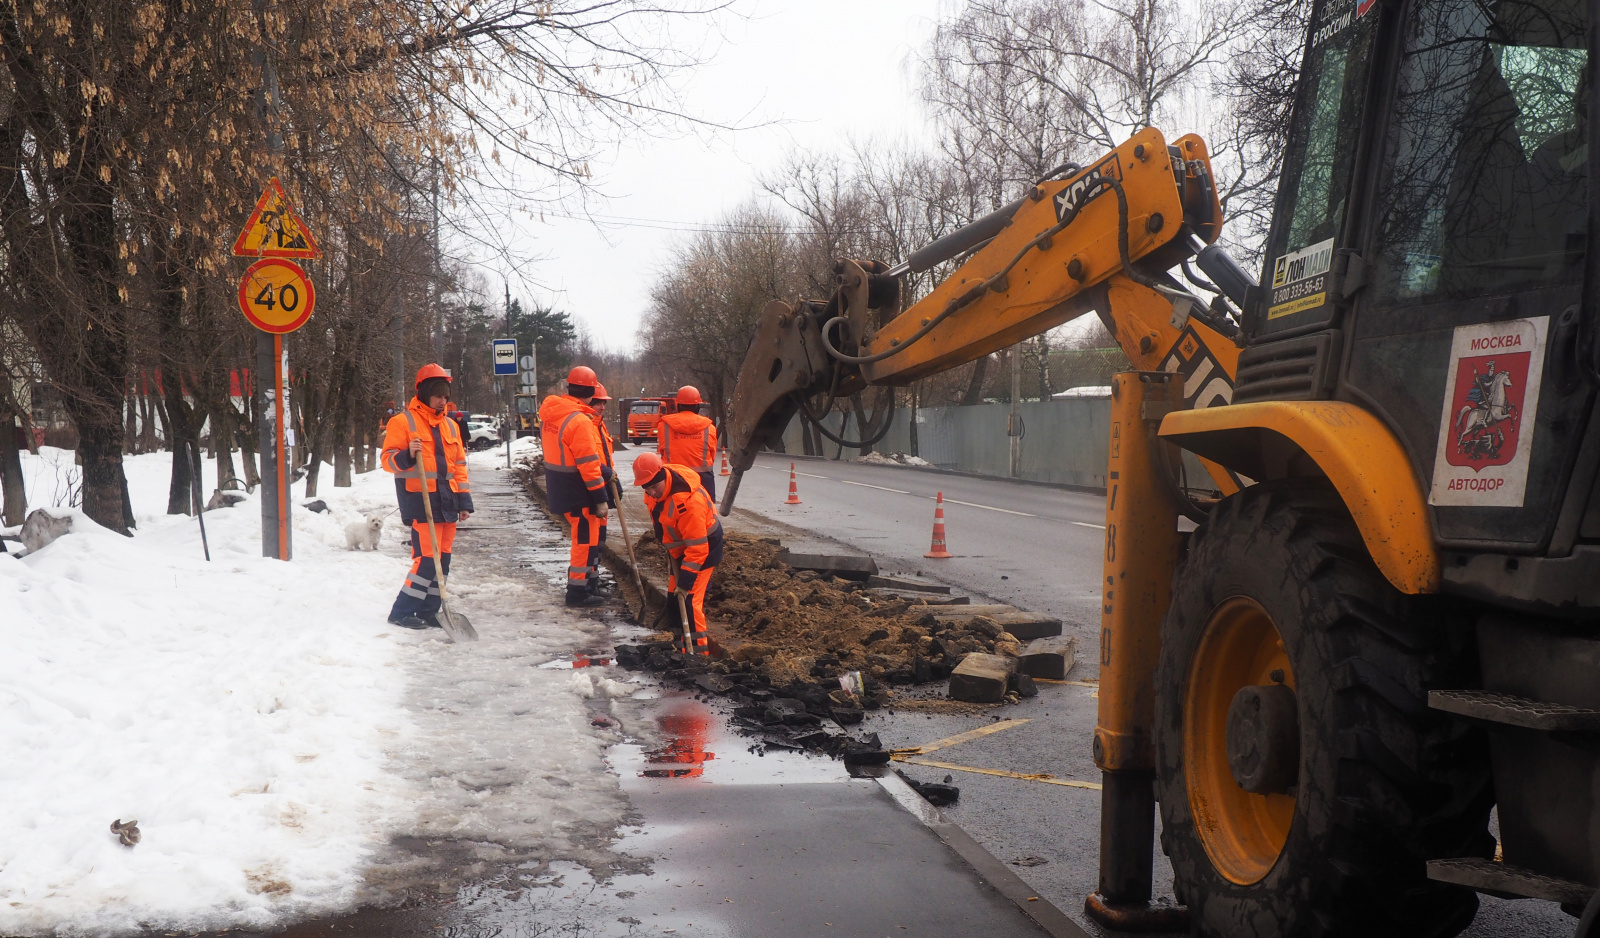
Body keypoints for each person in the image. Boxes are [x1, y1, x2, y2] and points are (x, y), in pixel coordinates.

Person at [380, 364, 474, 629]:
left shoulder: (451, 426)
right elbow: (388, 462)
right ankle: (402, 611)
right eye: (437, 395)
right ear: (422, 392)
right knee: (427, 560)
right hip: (421, 501)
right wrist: (408, 454)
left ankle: (429, 610)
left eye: (446, 395)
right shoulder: (403, 422)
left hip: (448, 501)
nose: (443, 400)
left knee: (442, 559)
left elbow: (459, 467)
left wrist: (464, 502)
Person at [633, 451, 722, 656]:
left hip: (704, 547)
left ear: (663, 476)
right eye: (647, 488)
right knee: (674, 600)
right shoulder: (653, 491)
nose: (651, 492)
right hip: (681, 547)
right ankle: (681, 645)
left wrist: (686, 582)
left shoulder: (688, 504)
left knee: (690, 601)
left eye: (654, 486)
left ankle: (699, 655)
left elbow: (698, 549)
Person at [539, 365, 610, 607]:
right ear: (590, 390)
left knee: (585, 540)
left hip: (561, 486)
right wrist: (601, 497)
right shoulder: (579, 420)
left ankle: (586, 585)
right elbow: (588, 465)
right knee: (584, 542)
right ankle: (577, 592)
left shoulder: (553, 414)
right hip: (579, 490)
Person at [656, 385, 718, 499]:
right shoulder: (709, 427)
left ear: (678, 405)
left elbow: (662, 450)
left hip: (673, 478)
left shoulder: (664, 426)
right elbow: (712, 455)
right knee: (706, 512)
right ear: (698, 406)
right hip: (703, 479)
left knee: (672, 512)